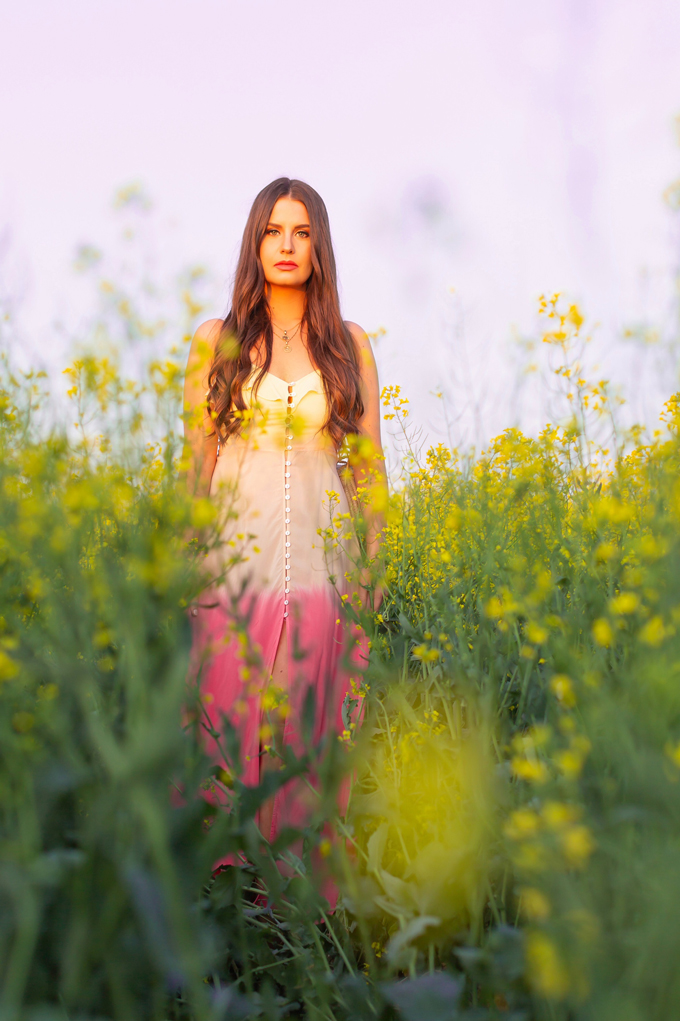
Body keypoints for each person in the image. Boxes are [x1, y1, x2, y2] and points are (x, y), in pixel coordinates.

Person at [183, 177, 386, 856]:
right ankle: (224, 925)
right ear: (256, 242)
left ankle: (298, 931)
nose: (288, 245)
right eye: (274, 231)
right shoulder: (218, 339)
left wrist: (375, 561)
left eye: (302, 232)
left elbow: (369, 471)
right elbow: (197, 466)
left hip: (324, 579)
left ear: (319, 246)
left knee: (307, 742)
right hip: (233, 574)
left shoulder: (349, 346)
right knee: (224, 738)